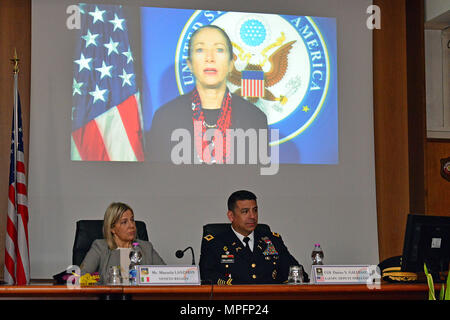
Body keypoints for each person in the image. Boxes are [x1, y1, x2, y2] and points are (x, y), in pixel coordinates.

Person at [146, 25, 268, 164]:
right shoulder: (165, 117)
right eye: (200, 50)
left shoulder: (254, 118)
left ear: (230, 64)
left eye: (219, 49)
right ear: (190, 64)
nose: (210, 58)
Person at [199, 190, 308, 284]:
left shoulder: (272, 240)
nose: (252, 216)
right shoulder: (215, 243)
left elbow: (297, 273)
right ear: (231, 216)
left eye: (255, 210)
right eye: (245, 211)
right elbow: (206, 277)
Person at [80, 202, 165, 284]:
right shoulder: (100, 247)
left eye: (132, 220)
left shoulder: (146, 247)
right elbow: (82, 277)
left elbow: (165, 275)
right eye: (124, 222)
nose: (131, 225)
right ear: (112, 228)